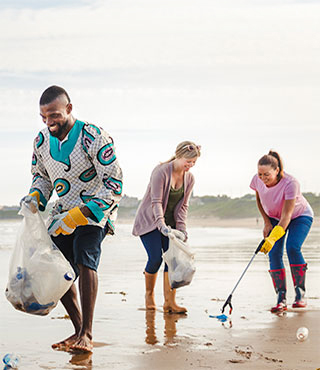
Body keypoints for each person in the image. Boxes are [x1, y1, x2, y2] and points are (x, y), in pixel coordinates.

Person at [21, 85, 123, 352]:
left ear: (68, 108)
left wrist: (83, 213)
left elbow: (114, 183)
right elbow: (42, 177)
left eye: (54, 115)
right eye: (43, 117)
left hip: (94, 213)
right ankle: (78, 331)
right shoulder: (41, 141)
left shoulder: (94, 136)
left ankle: (87, 334)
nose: (49, 122)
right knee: (59, 268)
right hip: (63, 212)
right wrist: (35, 197)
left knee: (84, 258)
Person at [132, 141, 200, 313]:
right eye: (188, 161)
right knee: (155, 258)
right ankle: (149, 295)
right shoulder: (160, 172)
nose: (190, 165)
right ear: (178, 156)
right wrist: (160, 225)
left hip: (171, 225)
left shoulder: (189, 178)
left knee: (173, 260)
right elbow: (156, 202)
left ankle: (170, 302)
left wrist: (182, 229)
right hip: (150, 222)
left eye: (193, 162)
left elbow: (183, 206)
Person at [250, 150, 313, 313]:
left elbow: (286, 216)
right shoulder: (257, 180)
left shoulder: (290, 183)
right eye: (260, 174)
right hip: (273, 217)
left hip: (299, 216)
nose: (263, 178)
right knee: (274, 253)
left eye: (267, 175)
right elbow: (259, 199)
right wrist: (266, 222)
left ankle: (300, 295)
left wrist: (273, 237)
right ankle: (281, 298)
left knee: (292, 247)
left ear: (277, 171)